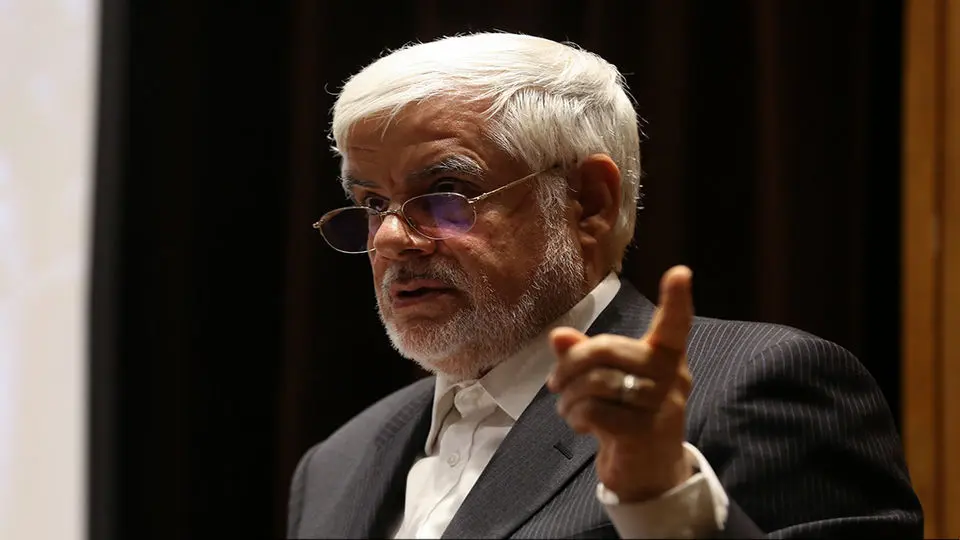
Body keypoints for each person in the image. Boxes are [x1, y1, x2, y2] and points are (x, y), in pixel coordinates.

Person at [287, 32, 922, 539]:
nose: (390, 239)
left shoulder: (758, 386)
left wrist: (660, 497)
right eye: (373, 203)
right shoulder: (336, 463)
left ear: (587, 201)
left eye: (446, 193)